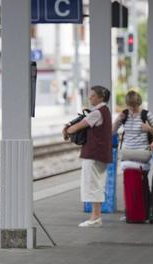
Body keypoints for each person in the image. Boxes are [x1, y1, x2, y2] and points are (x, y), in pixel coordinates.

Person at [63, 86, 113, 228]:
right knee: (96, 184)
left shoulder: (97, 113)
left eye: (92, 95)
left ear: (100, 97)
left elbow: (76, 127)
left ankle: (95, 217)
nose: (90, 98)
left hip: (94, 154)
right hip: (101, 154)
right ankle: (95, 216)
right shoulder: (105, 111)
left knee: (92, 184)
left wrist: (67, 128)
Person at [114, 90, 153, 160]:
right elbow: (112, 131)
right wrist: (118, 120)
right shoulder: (124, 114)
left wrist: (149, 129)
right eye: (129, 106)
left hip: (142, 152)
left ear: (139, 104)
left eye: (134, 106)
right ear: (126, 104)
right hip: (127, 152)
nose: (132, 109)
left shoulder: (146, 114)